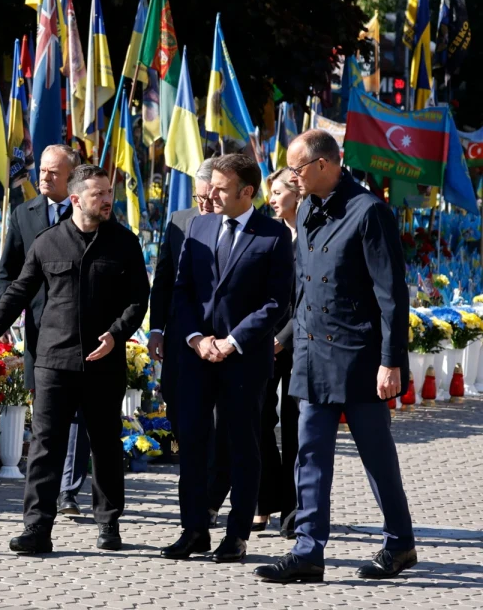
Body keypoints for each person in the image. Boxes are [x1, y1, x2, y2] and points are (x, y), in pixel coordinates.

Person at [255, 130, 415, 583]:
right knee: (308, 454)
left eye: (297, 169)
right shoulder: (307, 207)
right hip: (311, 355)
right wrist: (287, 338)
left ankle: (400, 544)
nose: (292, 178)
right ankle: (308, 551)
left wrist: (391, 361)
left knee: (376, 457)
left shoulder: (369, 212)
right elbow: (303, 287)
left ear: (323, 164)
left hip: (359, 358)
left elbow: (392, 295)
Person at [0, 164, 150, 554]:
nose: (107, 200)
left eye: (109, 193)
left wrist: (116, 335)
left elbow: (138, 300)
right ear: (76, 198)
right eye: (99, 194)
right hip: (54, 361)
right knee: (46, 445)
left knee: (105, 445)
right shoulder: (48, 243)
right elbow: (16, 295)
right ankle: (37, 528)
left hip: (104, 362)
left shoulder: (124, 243)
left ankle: (108, 523)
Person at [163, 153, 293, 564]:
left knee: (242, 446)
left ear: (246, 191)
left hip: (244, 361)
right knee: (193, 444)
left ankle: (236, 535)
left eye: (221, 189)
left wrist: (232, 342)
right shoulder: (199, 227)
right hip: (196, 357)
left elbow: (277, 302)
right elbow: (182, 289)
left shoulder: (273, 235)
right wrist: (196, 338)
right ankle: (194, 530)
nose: (211, 195)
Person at [0, 145, 91, 518]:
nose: (44, 177)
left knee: (78, 413)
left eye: (53, 172)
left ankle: (69, 490)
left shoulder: (88, 212)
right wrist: (2, 317)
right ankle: (43, 492)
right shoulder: (24, 214)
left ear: (72, 178)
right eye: (43, 171)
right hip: (39, 328)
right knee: (46, 412)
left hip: (80, 328)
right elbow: (9, 272)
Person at [148, 157, 215, 432]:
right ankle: (181, 452)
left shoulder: (239, 224)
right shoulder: (179, 220)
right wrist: (156, 329)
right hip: (179, 333)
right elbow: (163, 280)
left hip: (218, 336)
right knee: (175, 401)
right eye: (199, 197)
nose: (204, 205)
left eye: (210, 198)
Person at [255, 168, 302, 536]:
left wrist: (284, 337)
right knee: (258, 418)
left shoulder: (314, 234)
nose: (271, 199)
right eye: (269, 193)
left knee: (295, 425)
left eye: (277, 192)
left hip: (302, 342)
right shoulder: (269, 233)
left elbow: (312, 296)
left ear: (297, 193)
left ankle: (293, 509)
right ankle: (264, 499)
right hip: (264, 340)